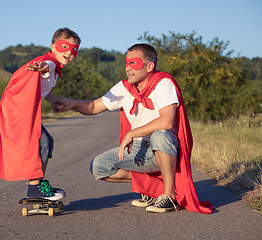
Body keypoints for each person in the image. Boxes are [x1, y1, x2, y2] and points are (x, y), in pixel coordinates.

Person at [54, 43, 214, 214]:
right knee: (98, 166)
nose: (128, 68)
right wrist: (71, 104)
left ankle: (169, 197)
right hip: (140, 150)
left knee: (159, 135)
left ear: (149, 66)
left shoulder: (163, 83)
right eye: (127, 63)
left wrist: (132, 133)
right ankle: (153, 190)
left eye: (134, 63)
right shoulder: (124, 88)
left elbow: (167, 122)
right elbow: (94, 107)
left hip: (166, 149)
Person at [0, 27, 81, 201]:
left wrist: (53, 99)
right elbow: (45, 68)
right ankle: (35, 188)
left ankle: (37, 183)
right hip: (18, 112)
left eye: (74, 50)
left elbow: (43, 87)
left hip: (20, 111)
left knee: (47, 142)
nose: (69, 53)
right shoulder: (49, 63)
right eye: (65, 47)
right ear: (53, 47)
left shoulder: (55, 67)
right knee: (42, 143)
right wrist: (42, 67)